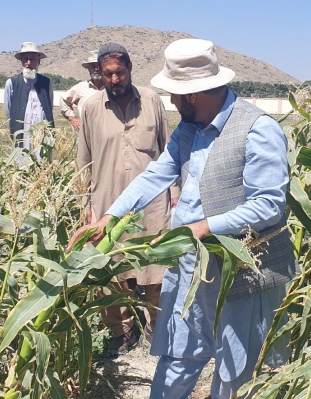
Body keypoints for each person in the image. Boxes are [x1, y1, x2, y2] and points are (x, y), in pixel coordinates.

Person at [69, 39, 297, 398]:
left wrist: (203, 227)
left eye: (175, 95)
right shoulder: (189, 129)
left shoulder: (257, 129)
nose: (171, 102)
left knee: (237, 369)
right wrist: (110, 216)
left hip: (242, 271)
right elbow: (155, 175)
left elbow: (269, 206)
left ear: (192, 94)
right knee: (178, 354)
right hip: (191, 265)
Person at [78, 42, 179, 356]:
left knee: (157, 269)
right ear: (101, 74)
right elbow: (84, 161)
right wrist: (86, 204)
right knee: (112, 271)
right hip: (108, 200)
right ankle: (121, 331)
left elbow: (169, 152)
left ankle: (156, 327)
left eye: (119, 72)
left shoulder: (151, 101)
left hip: (153, 203)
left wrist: (174, 196)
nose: (114, 79)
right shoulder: (92, 107)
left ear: (130, 70)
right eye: (108, 74)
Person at [4, 42, 54, 150]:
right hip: (22, 131)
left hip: (42, 130)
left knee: (42, 160)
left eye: (32, 59)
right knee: (22, 160)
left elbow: (49, 107)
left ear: (39, 61)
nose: (28, 63)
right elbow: (9, 111)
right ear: (21, 61)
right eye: (25, 59)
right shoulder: (12, 83)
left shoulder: (46, 83)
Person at [59, 50, 104, 131]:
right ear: (88, 69)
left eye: (99, 66)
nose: (96, 69)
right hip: (87, 135)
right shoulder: (80, 88)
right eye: (93, 66)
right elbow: (63, 99)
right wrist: (72, 119)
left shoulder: (113, 88)